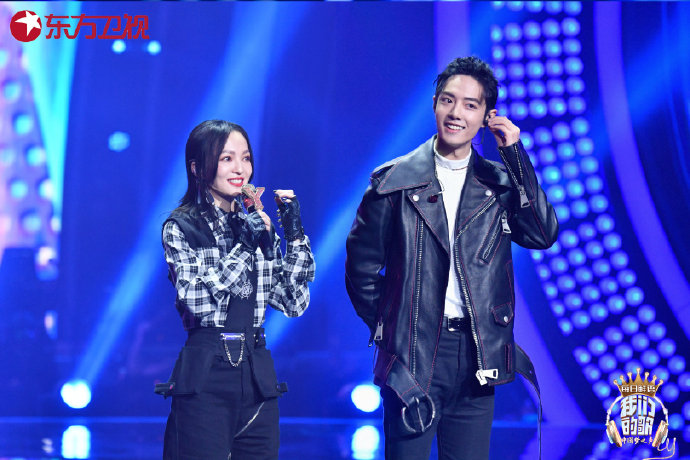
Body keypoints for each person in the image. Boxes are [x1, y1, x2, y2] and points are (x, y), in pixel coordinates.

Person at [345, 56, 558, 459]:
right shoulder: (392, 183)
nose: (456, 113)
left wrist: (515, 157)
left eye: (470, 105)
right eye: (448, 100)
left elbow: (542, 233)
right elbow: (361, 270)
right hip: (413, 354)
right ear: (434, 104)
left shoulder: (499, 185)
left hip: (478, 354)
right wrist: (392, 329)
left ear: (487, 116)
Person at [156, 120, 315, 460]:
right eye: (226, 158)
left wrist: (294, 234)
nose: (240, 168)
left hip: (257, 377)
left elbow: (294, 302)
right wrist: (244, 246)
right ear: (197, 167)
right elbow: (199, 302)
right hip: (206, 377)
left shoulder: (256, 225)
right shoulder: (181, 227)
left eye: (246, 158)